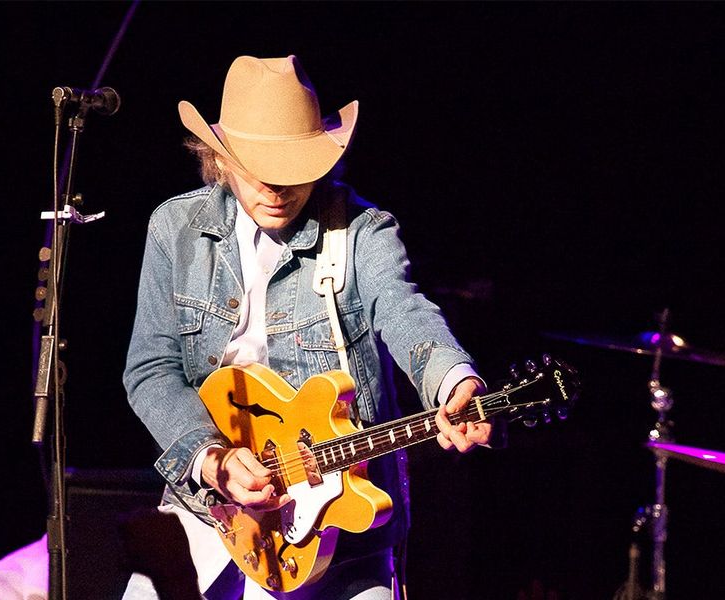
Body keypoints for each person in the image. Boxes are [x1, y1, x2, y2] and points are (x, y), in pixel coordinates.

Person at [122, 55, 491, 599]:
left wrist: (452, 379)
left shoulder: (363, 232)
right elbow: (151, 370)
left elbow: (404, 311)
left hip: (339, 526)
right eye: (259, 170)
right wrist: (212, 459)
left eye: (294, 170)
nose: (277, 189)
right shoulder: (175, 230)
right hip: (209, 506)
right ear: (220, 158)